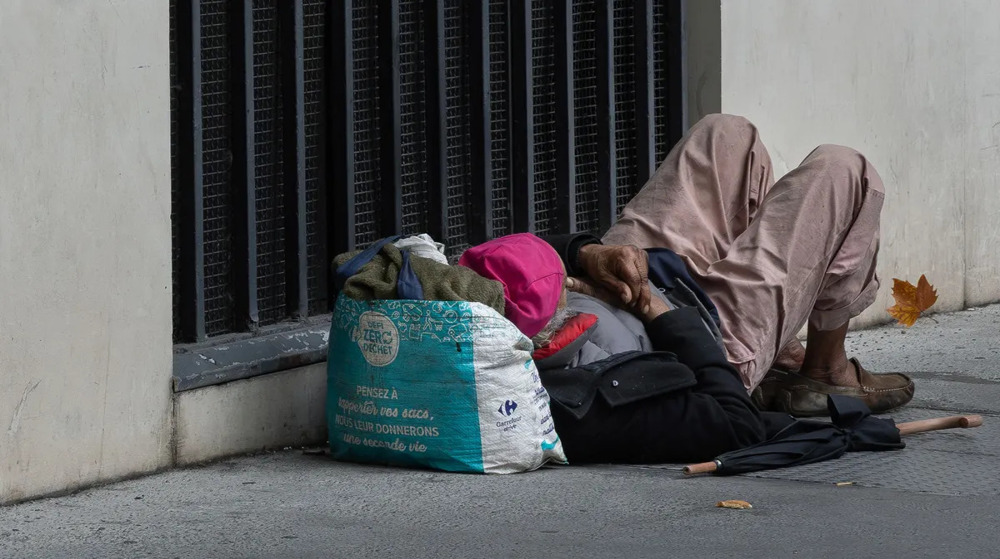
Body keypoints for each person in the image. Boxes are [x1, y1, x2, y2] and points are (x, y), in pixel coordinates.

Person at [458, 114, 914, 464]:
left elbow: (508, 267)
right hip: (704, 338)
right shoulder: (572, 406)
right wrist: (661, 313)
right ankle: (824, 369)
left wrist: (585, 253)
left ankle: (781, 351)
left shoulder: (459, 318)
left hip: (644, 279)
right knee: (845, 170)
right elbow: (735, 427)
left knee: (726, 135)